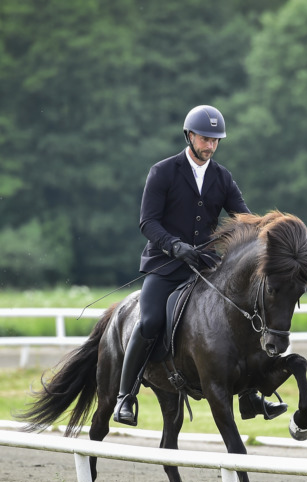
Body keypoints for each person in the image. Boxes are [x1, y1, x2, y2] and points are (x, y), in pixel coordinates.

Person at [113, 105, 288, 427]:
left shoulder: (222, 177)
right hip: (165, 265)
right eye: (205, 139)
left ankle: (250, 394)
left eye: (215, 140)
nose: (211, 146)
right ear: (190, 136)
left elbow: (243, 219)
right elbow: (148, 222)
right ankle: (126, 395)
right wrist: (174, 245)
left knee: (245, 316)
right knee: (149, 321)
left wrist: (272, 233)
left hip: (206, 267)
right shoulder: (163, 172)